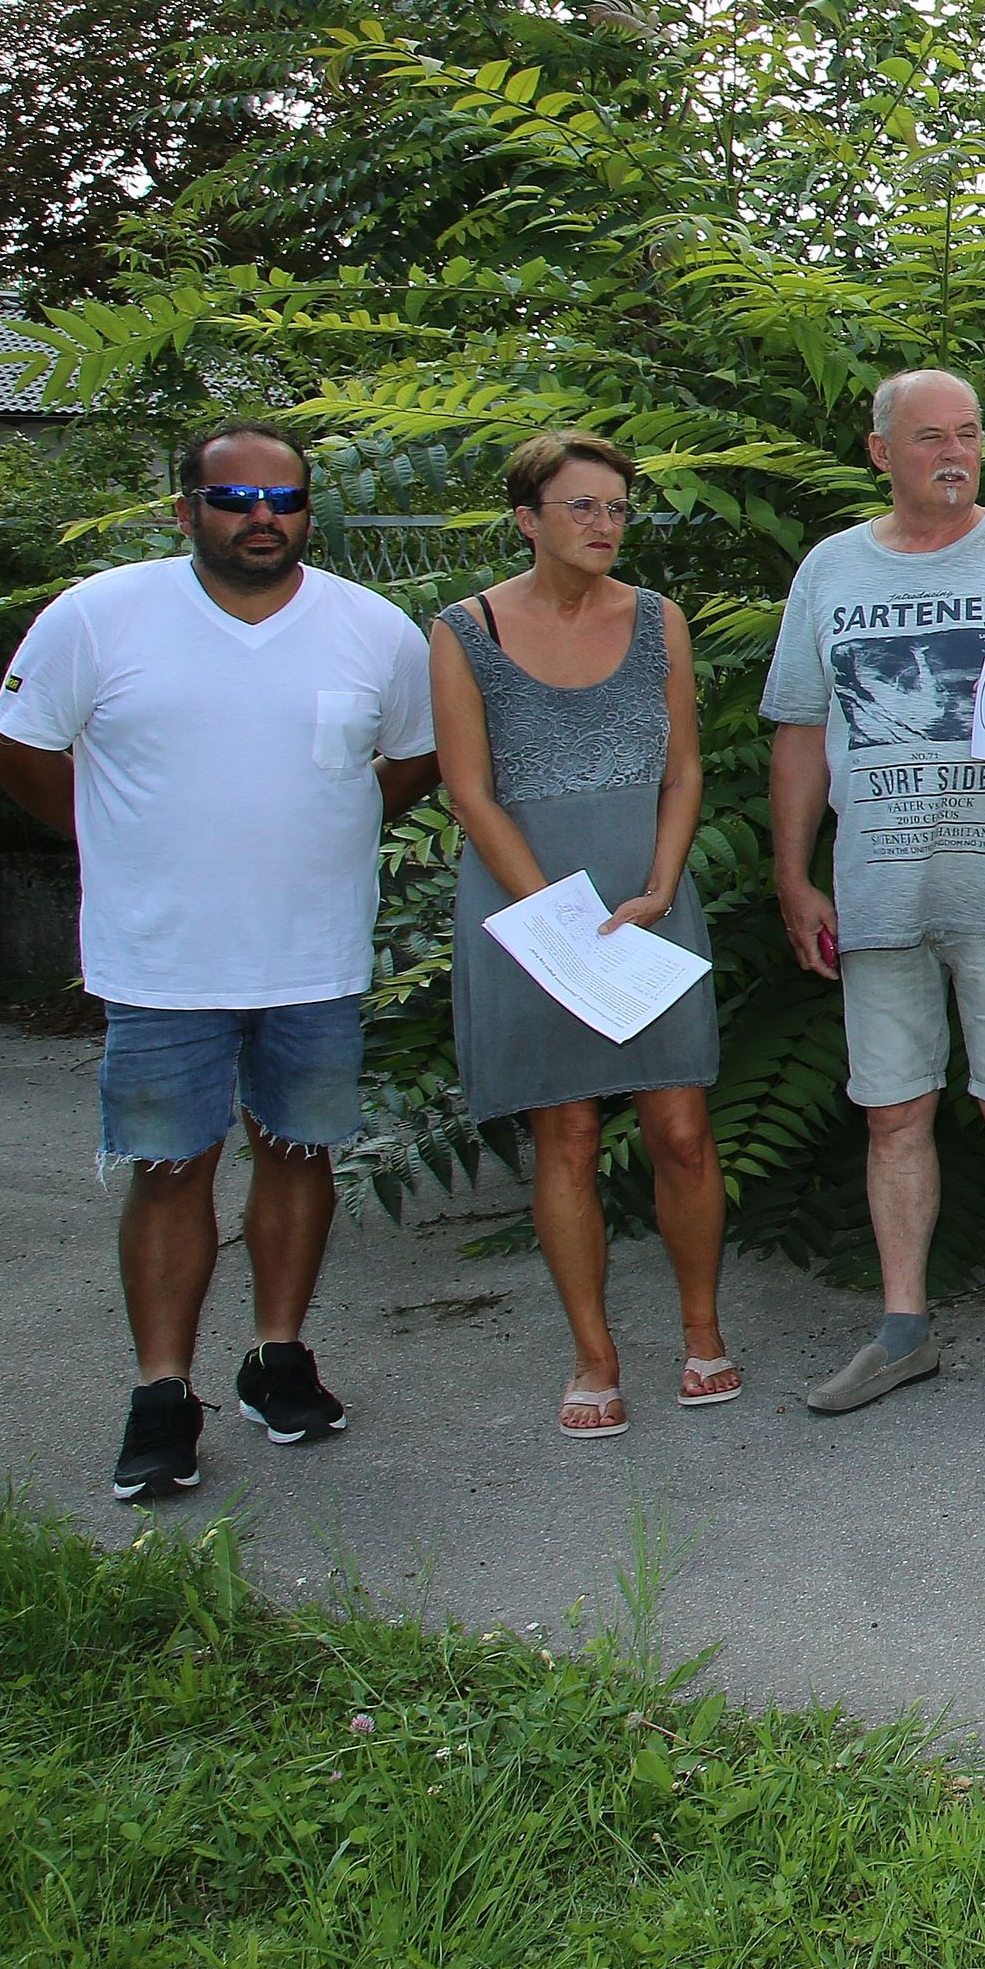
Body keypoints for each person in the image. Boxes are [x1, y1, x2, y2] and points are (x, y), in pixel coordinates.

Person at [0, 419, 437, 1502]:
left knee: (298, 1153)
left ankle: (278, 1359)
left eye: (283, 501)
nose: (261, 519)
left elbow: (413, 761)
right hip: (162, 965)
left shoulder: (374, 632)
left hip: (313, 958)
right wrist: (115, 842)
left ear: (308, 514)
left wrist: (320, 838)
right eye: (234, 499)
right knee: (170, 1169)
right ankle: (162, 1394)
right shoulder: (99, 617)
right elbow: (16, 748)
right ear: (183, 508)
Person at [763, 369, 985, 1420]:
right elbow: (796, 733)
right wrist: (793, 875)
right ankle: (902, 1329)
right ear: (881, 452)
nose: (953, 453)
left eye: (967, 434)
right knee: (893, 1114)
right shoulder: (830, 571)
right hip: (874, 893)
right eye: (928, 438)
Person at [429, 430, 730, 1440]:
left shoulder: (657, 622)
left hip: (648, 899)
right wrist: (561, 922)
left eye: (616, 507)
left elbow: (684, 769)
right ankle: (593, 1355)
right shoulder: (463, 629)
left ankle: (701, 1333)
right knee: (564, 1132)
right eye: (582, 507)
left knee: (682, 1132)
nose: (605, 525)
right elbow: (467, 791)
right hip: (530, 915)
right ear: (528, 519)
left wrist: (656, 886)